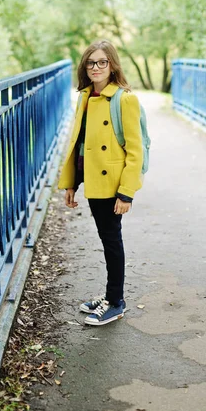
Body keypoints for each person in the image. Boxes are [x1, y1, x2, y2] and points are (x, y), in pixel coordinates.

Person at [58, 40, 143, 326]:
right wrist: (72, 184)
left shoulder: (124, 99)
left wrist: (126, 193)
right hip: (93, 181)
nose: (95, 67)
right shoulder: (85, 96)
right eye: (91, 63)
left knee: (111, 240)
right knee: (107, 239)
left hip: (112, 185)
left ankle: (116, 302)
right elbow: (80, 145)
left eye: (102, 62)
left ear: (112, 65)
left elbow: (135, 150)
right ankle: (110, 296)